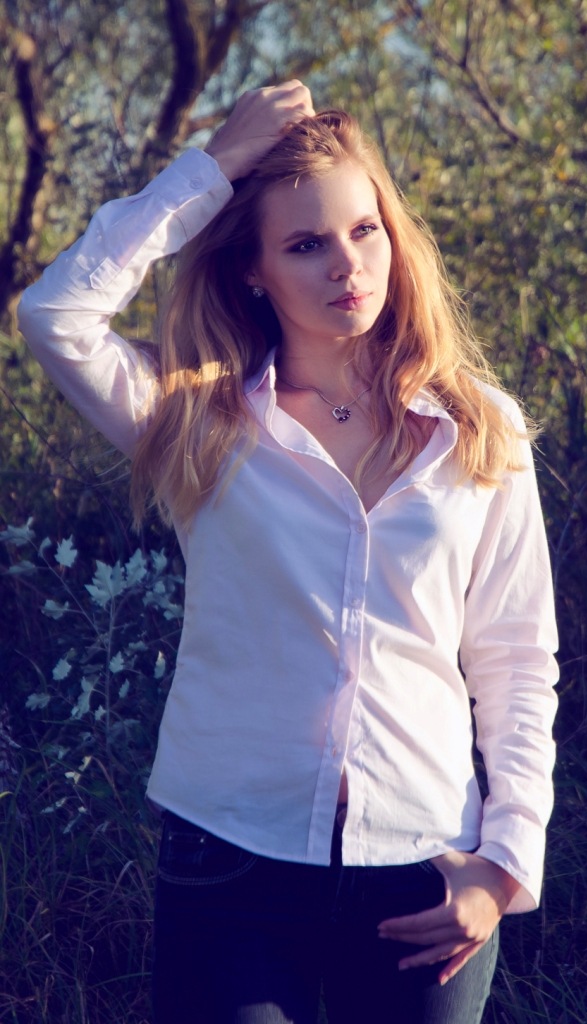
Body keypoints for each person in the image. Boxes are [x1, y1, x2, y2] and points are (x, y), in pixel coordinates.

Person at [18, 81, 558, 1024]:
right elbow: (55, 314)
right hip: (231, 865)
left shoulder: (478, 427)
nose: (346, 265)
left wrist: (505, 865)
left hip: (427, 865)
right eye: (305, 244)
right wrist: (210, 168)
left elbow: (515, 659)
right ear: (253, 272)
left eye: (364, 230)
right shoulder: (196, 418)